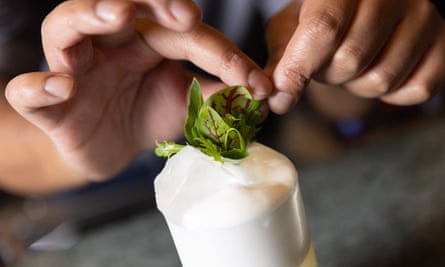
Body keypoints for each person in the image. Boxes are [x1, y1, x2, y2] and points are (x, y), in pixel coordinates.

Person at [2, 0, 445, 195]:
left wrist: (353, 58)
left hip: (285, 142)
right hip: (75, 194)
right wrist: (61, 149)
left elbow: (337, 101)